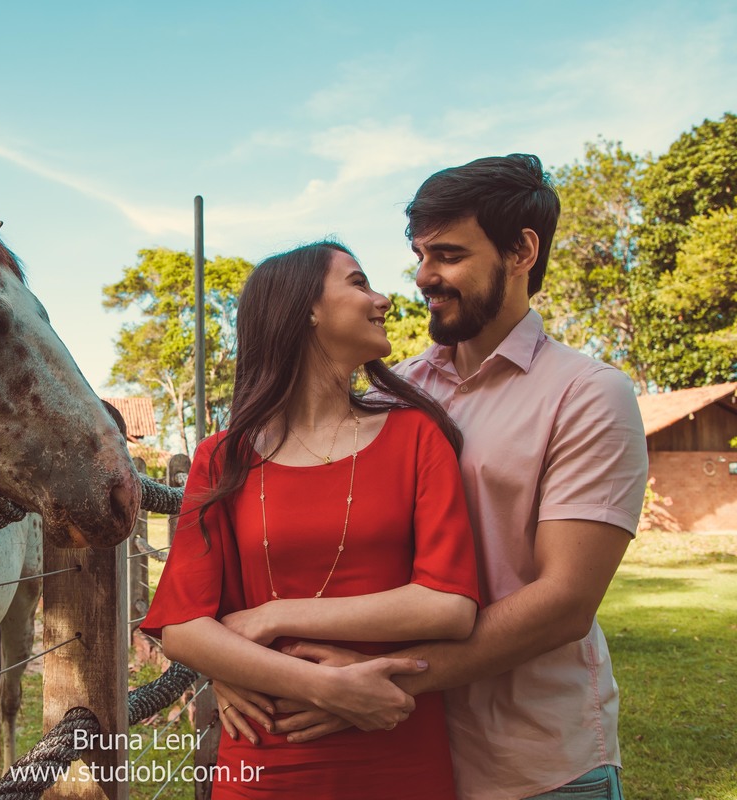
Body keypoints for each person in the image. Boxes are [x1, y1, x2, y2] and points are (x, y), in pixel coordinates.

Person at [216, 154, 648, 800]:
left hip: (533, 761)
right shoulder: (394, 394)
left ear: (522, 251)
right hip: (397, 755)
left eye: (447, 255)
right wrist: (241, 664)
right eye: (419, 255)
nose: (423, 278)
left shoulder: (588, 396)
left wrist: (378, 681)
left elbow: (564, 602)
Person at [141, 241, 481, 799]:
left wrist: (275, 615)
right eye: (359, 282)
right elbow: (182, 625)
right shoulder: (223, 458)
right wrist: (328, 687)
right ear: (306, 309)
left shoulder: (417, 436)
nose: (384, 299)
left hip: (394, 750)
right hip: (265, 759)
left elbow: (450, 605)